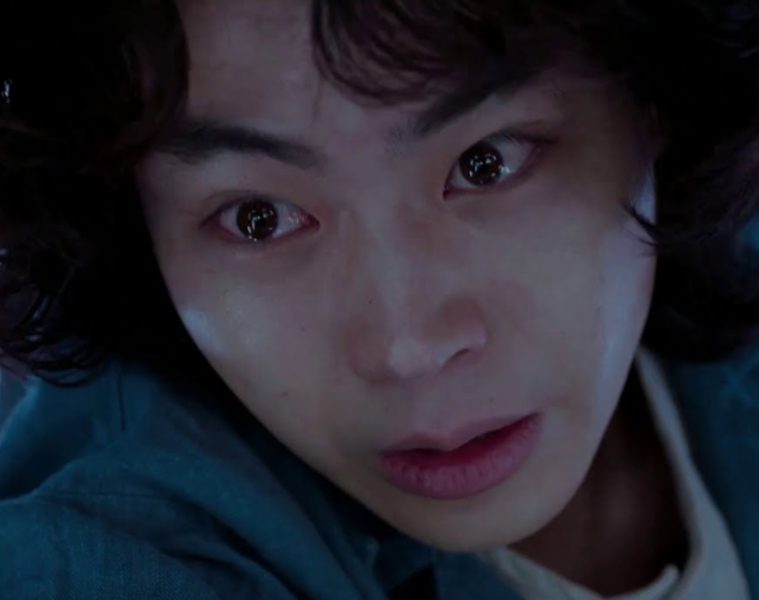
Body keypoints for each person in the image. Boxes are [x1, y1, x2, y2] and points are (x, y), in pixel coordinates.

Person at [1, 1, 758, 598]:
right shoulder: (106, 553)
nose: (409, 345)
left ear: (655, 99)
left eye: (486, 162)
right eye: (259, 219)